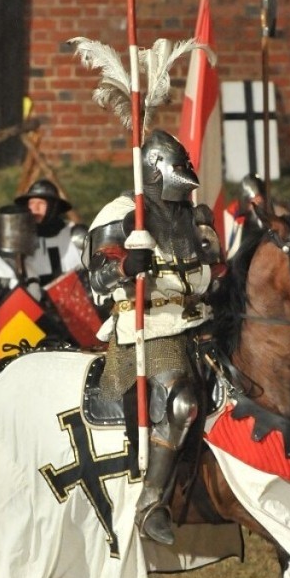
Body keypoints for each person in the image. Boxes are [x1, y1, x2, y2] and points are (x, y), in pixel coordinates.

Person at [84, 129, 224, 546]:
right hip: (148, 328)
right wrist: (127, 266)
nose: (186, 180)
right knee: (181, 403)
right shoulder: (123, 212)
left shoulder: (190, 215)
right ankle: (150, 503)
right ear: (156, 170)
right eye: (178, 171)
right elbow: (96, 275)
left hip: (198, 322)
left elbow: (211, 273)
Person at [13, 178, 82, 289]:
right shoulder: (21, 240)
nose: (34, 209)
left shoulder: (76, 235)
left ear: (53, 206)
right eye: (31, 203)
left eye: (41, 203)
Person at [224, 174, 268, 258]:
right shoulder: (229, 217)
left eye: (260, 201)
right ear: (246, 200)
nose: (257, 205)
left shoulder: (264, 218)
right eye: (254, 201)